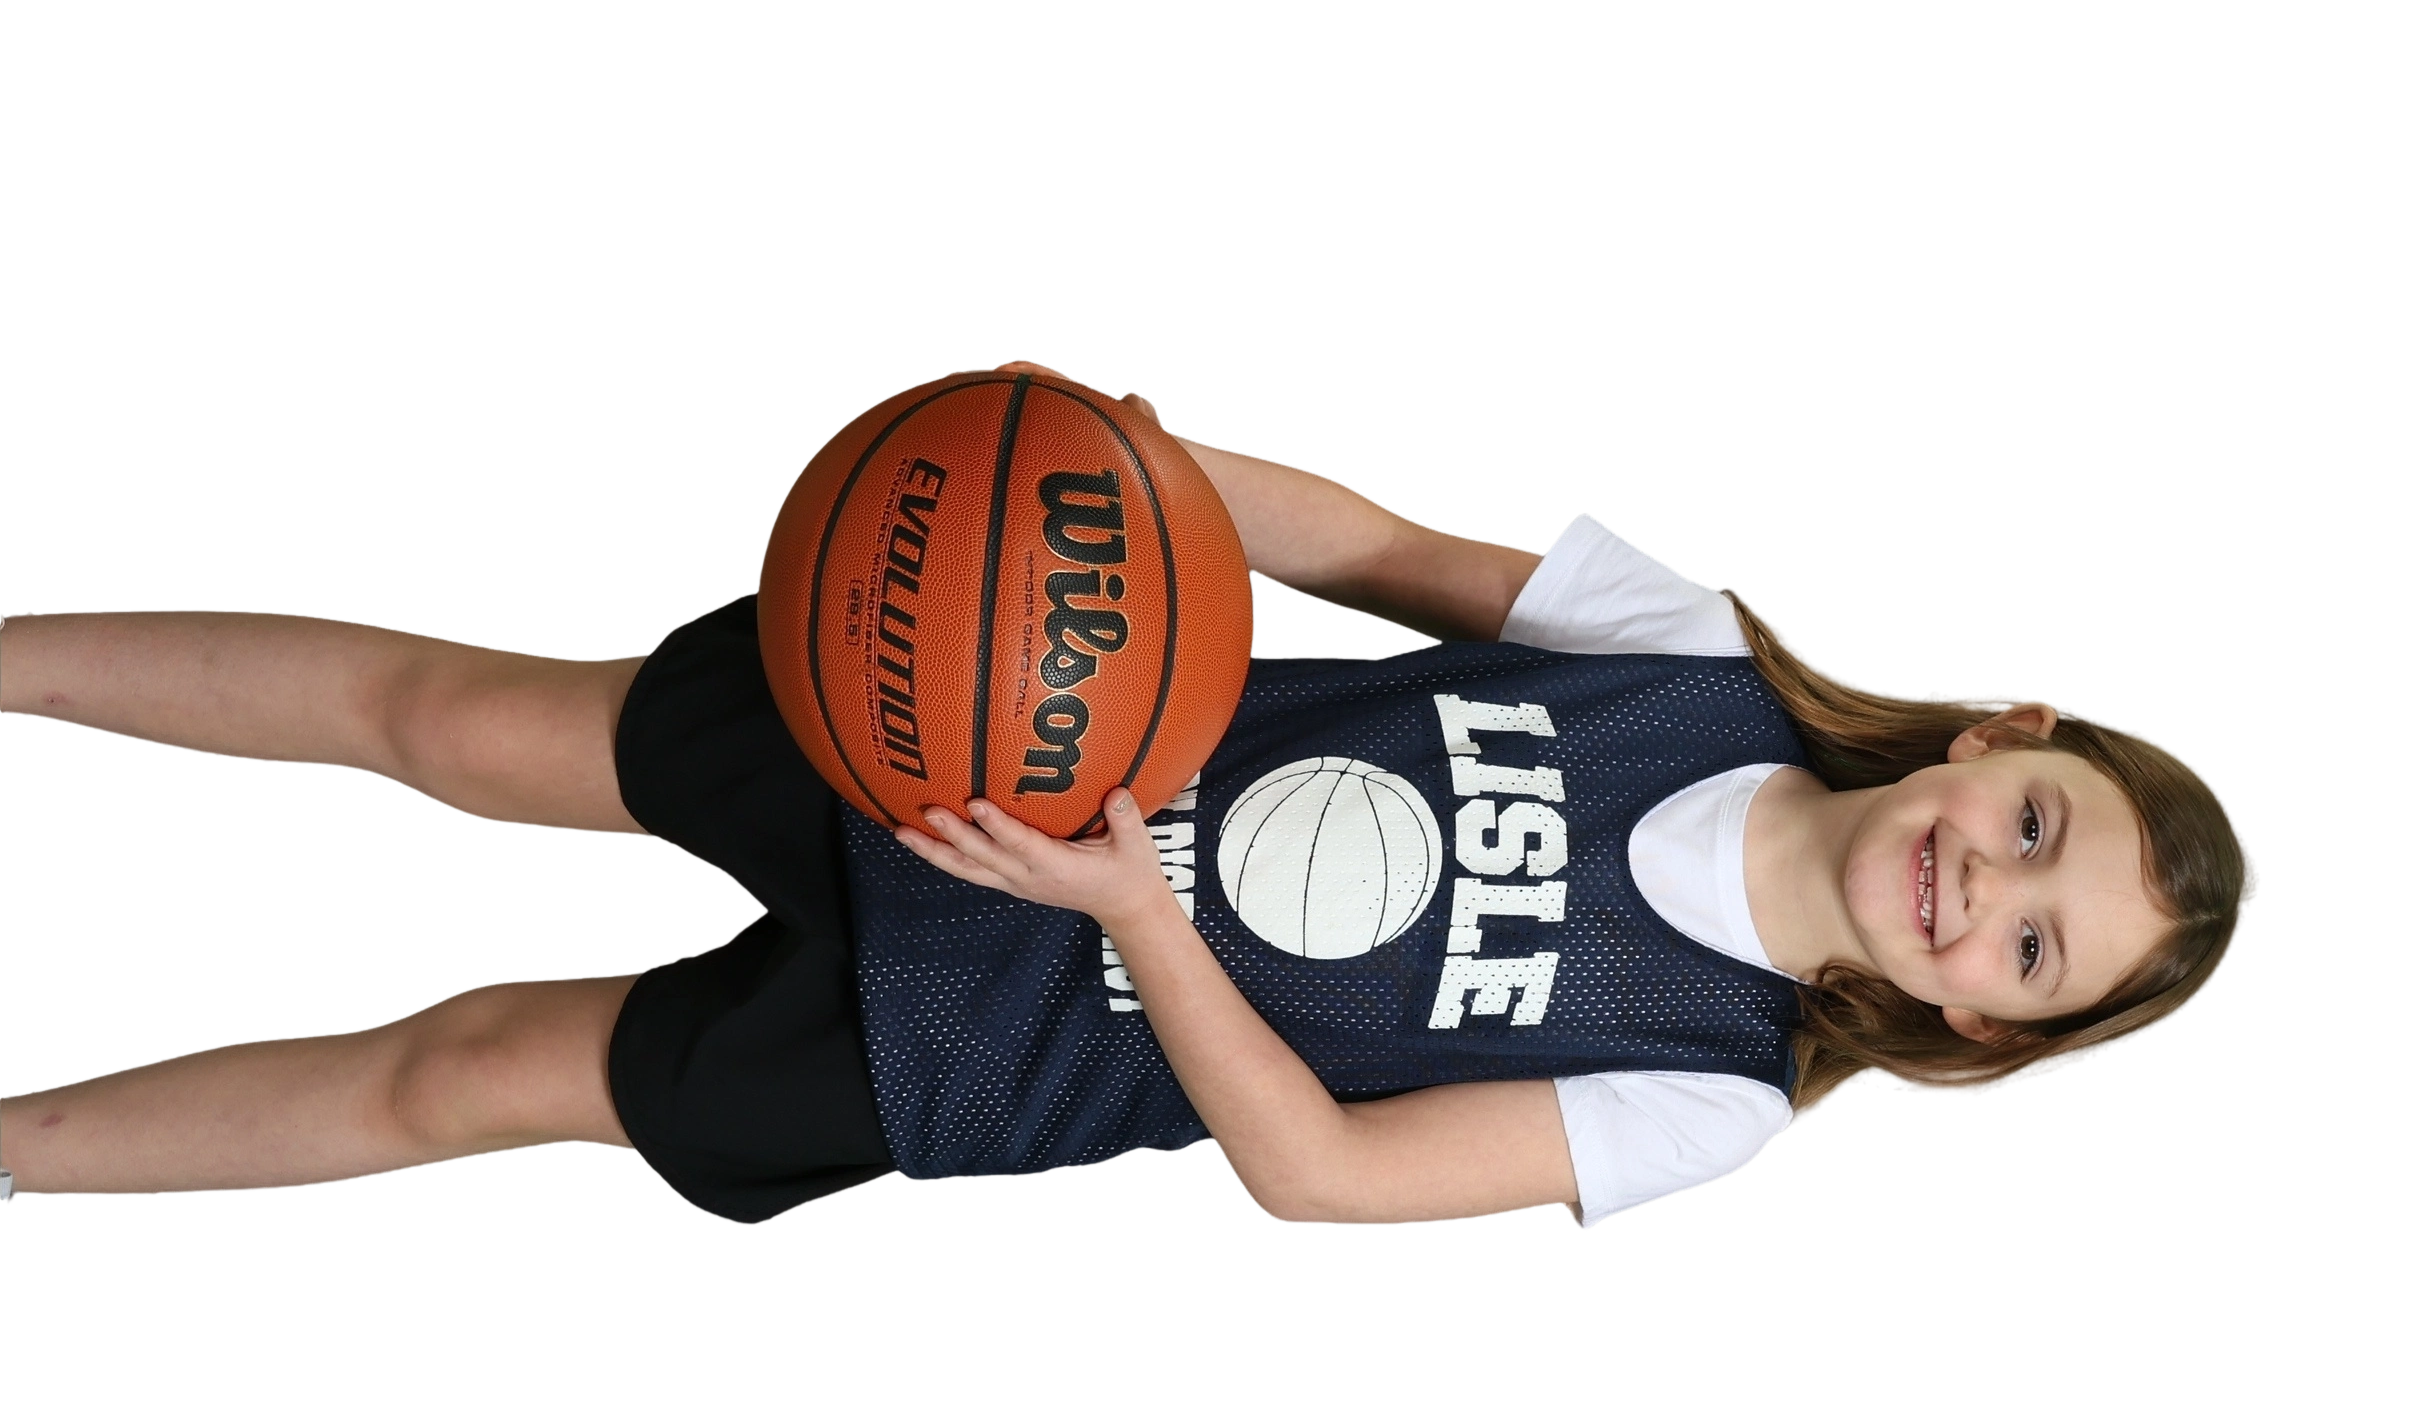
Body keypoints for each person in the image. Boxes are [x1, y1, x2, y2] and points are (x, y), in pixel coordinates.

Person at [0, 400, 2263, 1226]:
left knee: (467, 1068)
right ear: (1995, 740)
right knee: (456, 719)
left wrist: (1130, 906)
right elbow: (1367, 551)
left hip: (981, 1041)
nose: (1989, 892)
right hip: (952, 742)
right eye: (2041, 826)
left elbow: (1330, 1180)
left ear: (1986, 1023)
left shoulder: (1712, 1091)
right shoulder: (1697, 658)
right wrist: (1094, 451)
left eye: (2034, 946)